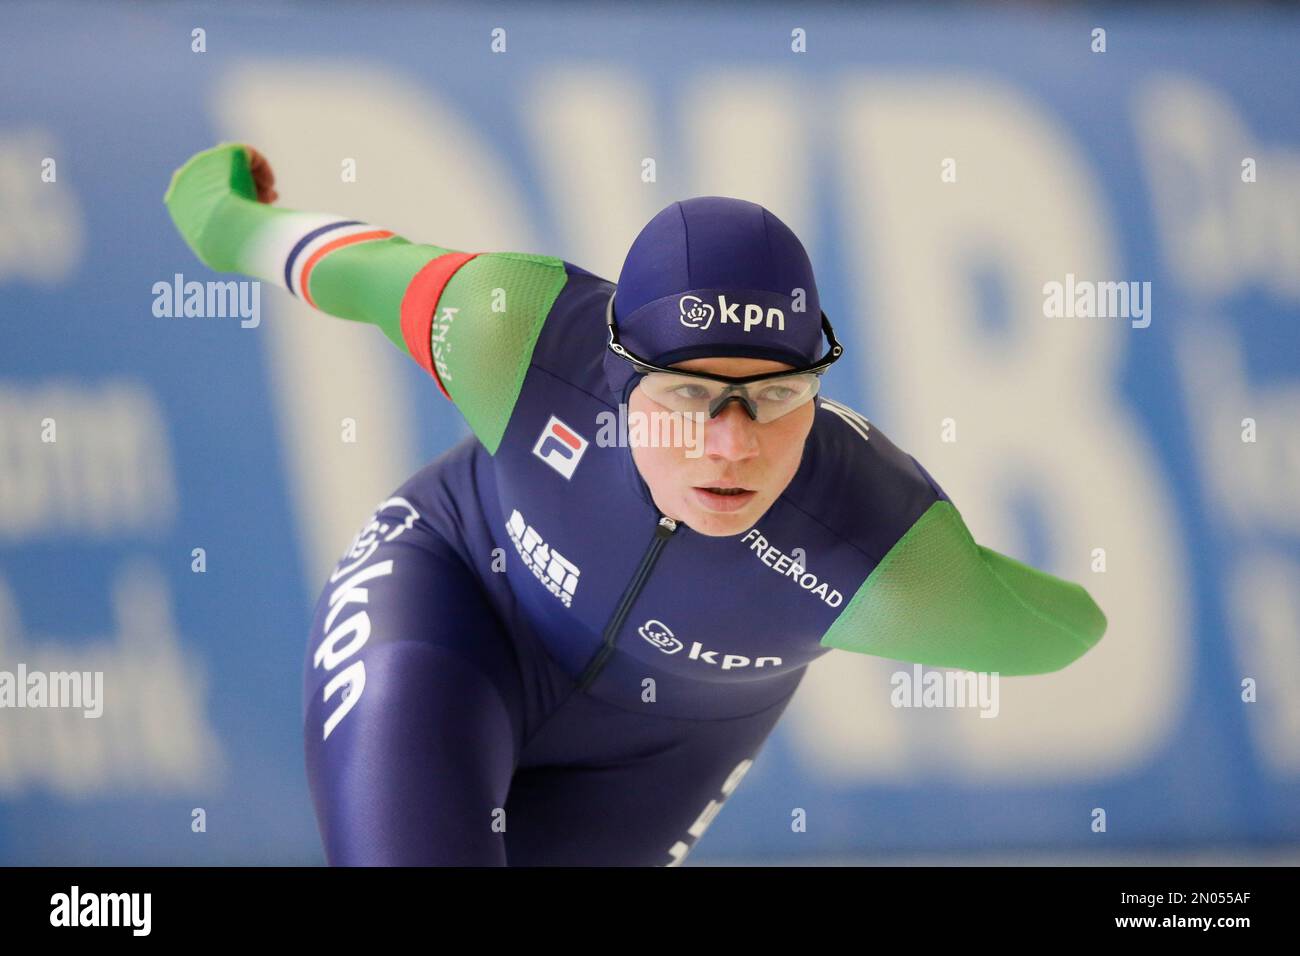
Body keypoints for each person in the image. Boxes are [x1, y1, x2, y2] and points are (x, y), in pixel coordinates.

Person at [164, 143, 1108, 866]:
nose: (731, 444)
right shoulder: (512, 333)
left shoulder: (886, 556)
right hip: (452, 603)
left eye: (777, 396)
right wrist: (227, 214)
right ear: (617, 379)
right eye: (691, 394)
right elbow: (350, 267)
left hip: (657, 757)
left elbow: (1064, 628)